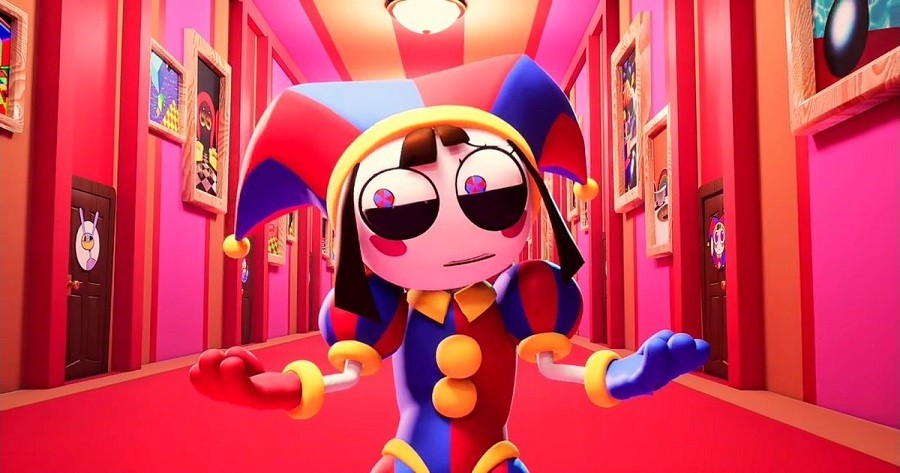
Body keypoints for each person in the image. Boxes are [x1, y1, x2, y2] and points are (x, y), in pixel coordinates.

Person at [191, 55, 709, 473]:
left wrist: (624, 375)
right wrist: (275, 389)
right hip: (409, 458)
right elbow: (343, 376)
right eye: (398, 209)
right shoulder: (382, 311)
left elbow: (555, 366)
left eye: (494, 196)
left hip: (494, 458)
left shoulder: (523, 301)